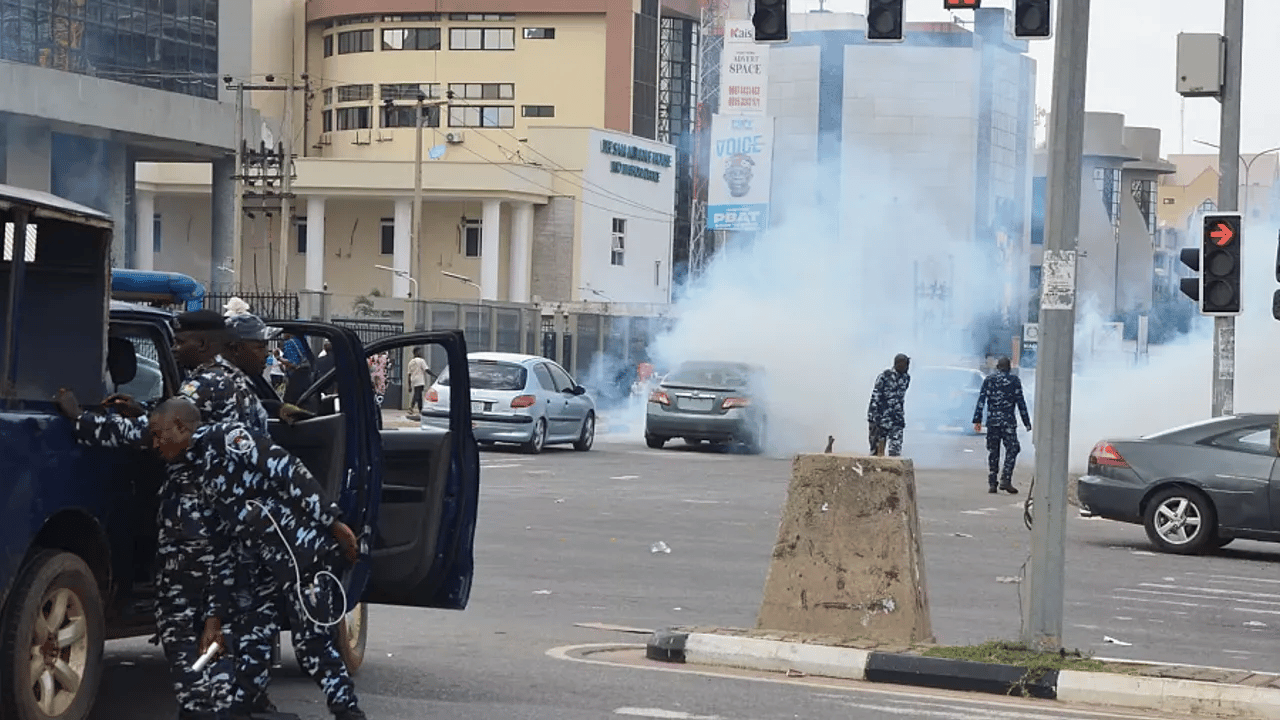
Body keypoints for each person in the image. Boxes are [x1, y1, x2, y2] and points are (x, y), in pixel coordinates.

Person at [148, 398, 367, 720]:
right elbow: (221, 544)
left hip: (299, 555)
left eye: (158, 434)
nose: (154, 444)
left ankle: (348, 711)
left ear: (181, 427)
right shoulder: (192, 469)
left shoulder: (229, 438)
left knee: (312, 646)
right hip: (255, 562)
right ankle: (246, 707)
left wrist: (332, 522)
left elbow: (288, 470)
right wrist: (215, 615)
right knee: (251, 637)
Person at [973, 356, 1032, 494]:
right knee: (1013, 448)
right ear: (1009, 368)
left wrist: (977, 419)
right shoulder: (1014, 381)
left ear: (997, 367)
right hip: (1008, 422)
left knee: (993, 451)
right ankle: (1006, 478)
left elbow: (981, 400)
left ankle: (992, 483)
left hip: (992, 422)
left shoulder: (989, 380)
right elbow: (1021, 403)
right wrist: (1027, 422)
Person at [867, 353, 911, 457]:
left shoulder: (906, 378)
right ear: (897, 364)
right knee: (876, 451)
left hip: (897, 419)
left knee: (895, 451)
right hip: (881, 418)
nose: (906, 367)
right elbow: (875, 396)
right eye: (904, 364)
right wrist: (873, 417)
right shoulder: (884, 377)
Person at [406, 347, 429, 418]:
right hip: (420, 380)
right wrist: (434, 375)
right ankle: (411, 408)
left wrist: (409, 385)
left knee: (419, 396)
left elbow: (409, 374)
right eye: (419, 351)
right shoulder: (421, 360)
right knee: (417, 394)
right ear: (416, 352)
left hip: (414, 380)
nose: (421, 353)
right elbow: (426, 370)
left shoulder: (411, 362)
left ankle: (420, 409)